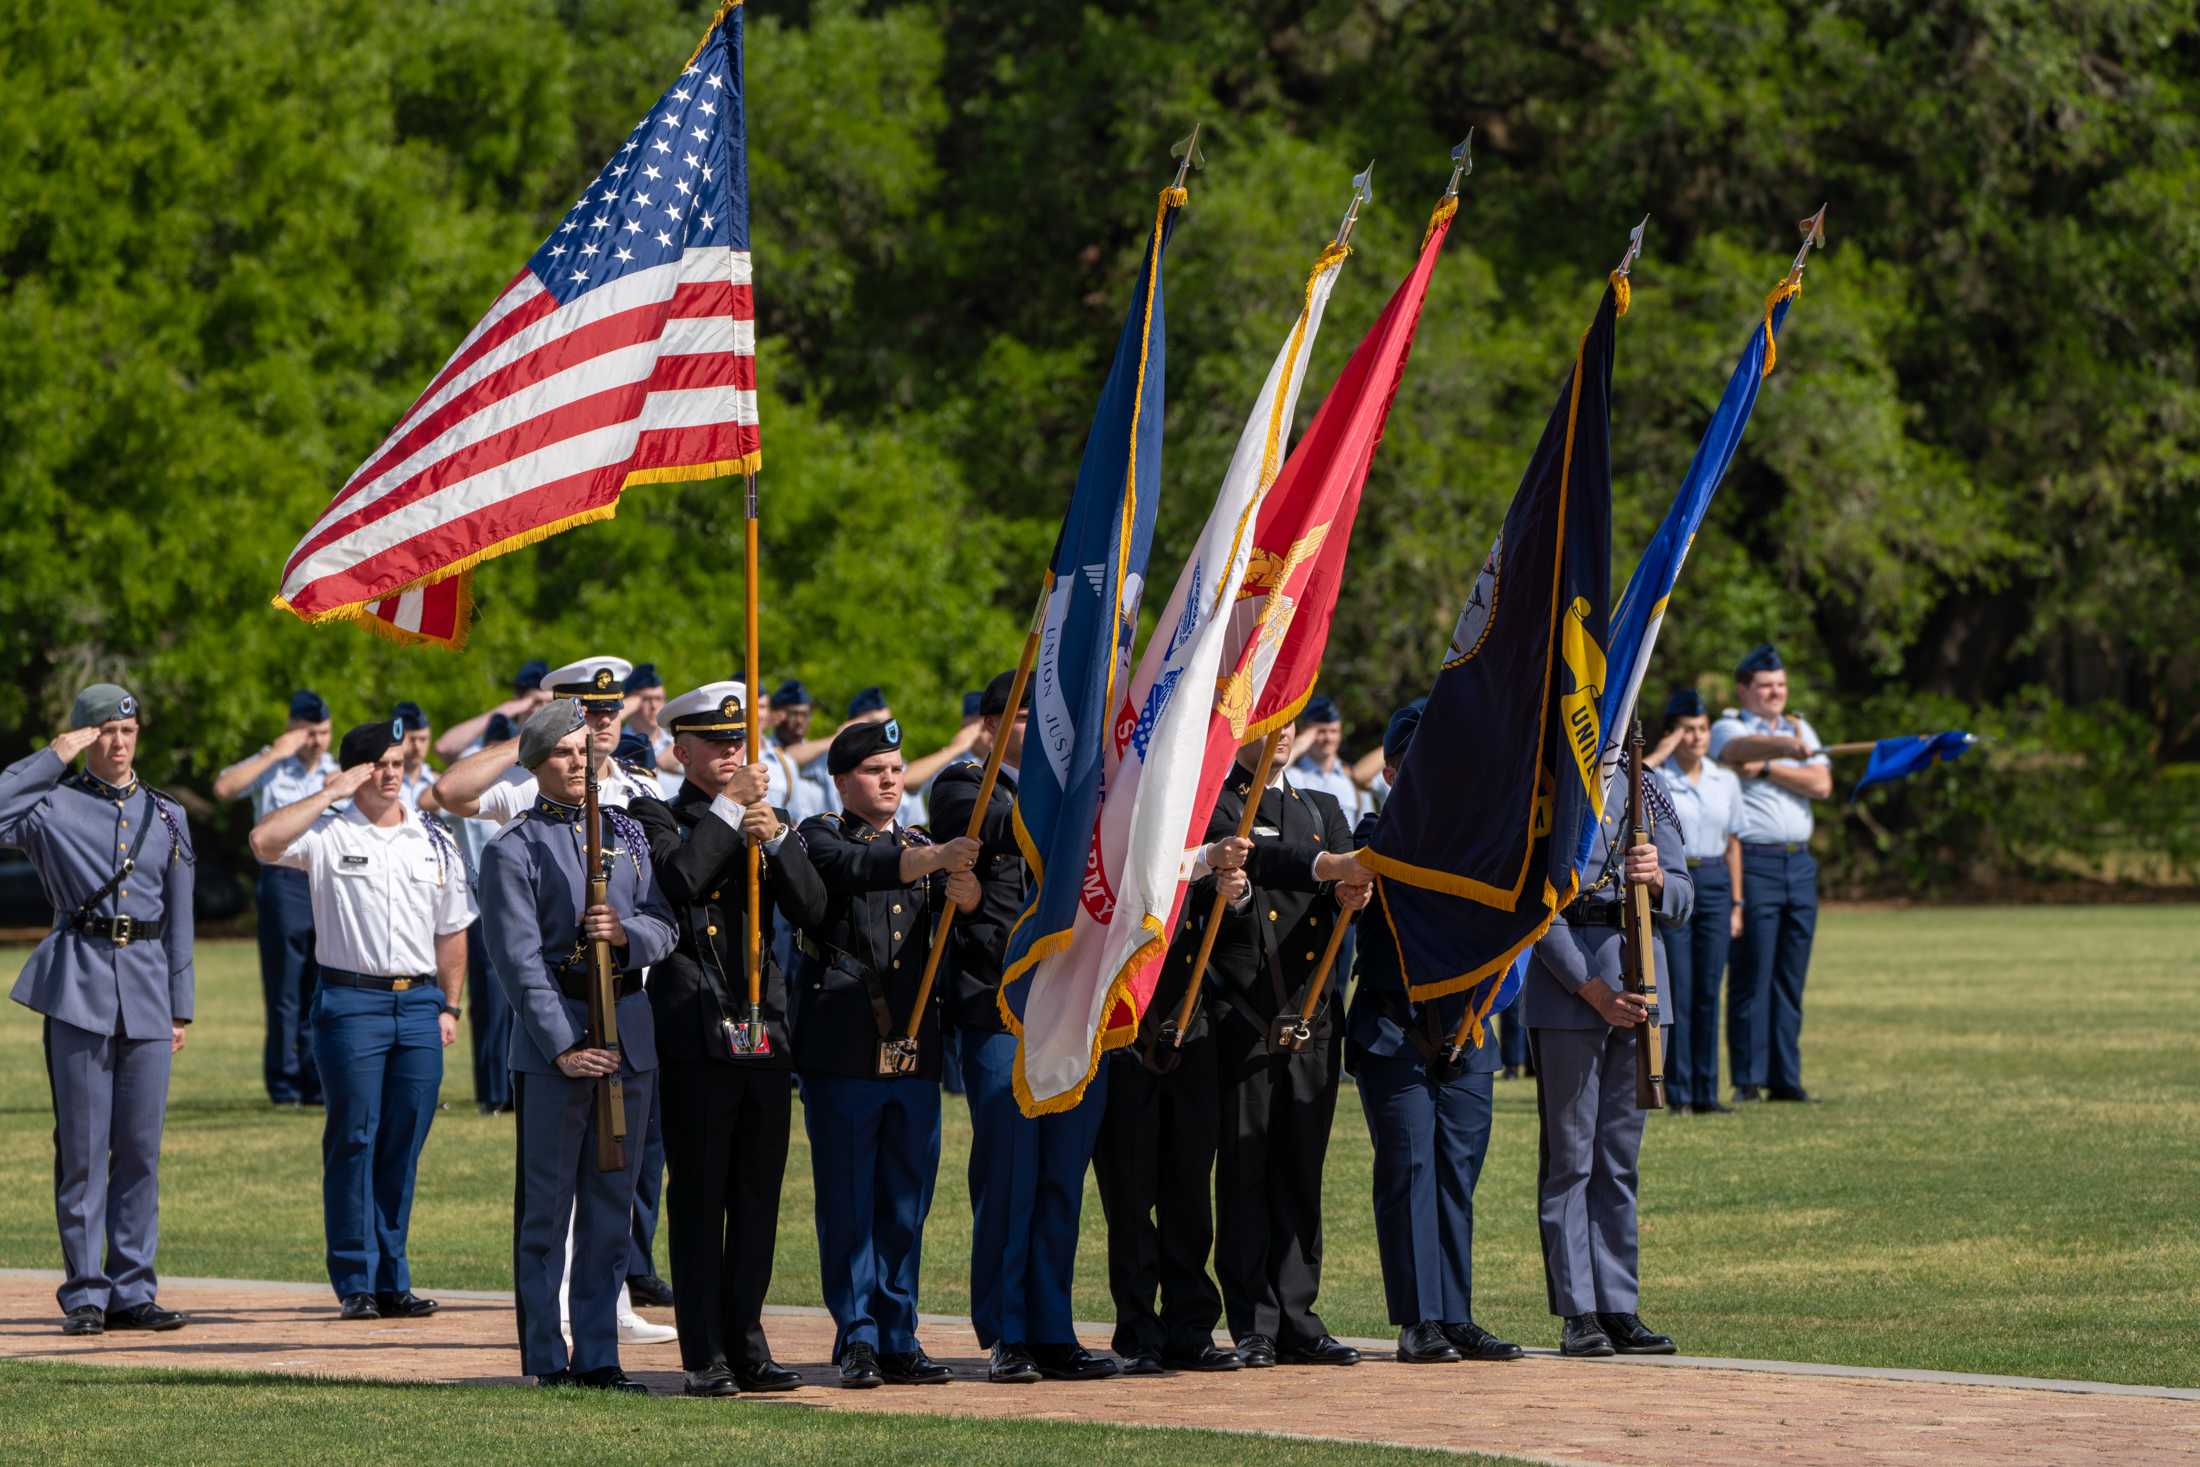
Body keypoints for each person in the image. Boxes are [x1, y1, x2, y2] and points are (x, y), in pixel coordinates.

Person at [629, 682, 825, 1398]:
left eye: (736, 742)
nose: (728, 753)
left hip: (762, 1024)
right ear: (680, 749)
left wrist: (773, 836)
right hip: (697, 1025)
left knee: (757, 1192)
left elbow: (812, 907)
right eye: (713, 743)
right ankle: (702, 1348)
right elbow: (678, 879)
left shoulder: (759, 818)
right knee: (702, 1190)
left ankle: (748, 1337)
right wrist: (726, 809)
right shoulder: (657, 812)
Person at [478, 700, 678, 1392]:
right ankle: (544, 1350)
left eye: (583, 749)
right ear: (536, 763)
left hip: (626, 1026)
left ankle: (599, 1350)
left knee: (610, 1202)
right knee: (546, 1207)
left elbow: (663, 923)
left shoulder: (624, 833)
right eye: (562, 752)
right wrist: (563, 1046)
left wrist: (626, 934)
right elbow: (517, 960)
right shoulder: (513, 847)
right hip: (555, 1037)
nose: (578, 761)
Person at [248, 719, 473, 1321]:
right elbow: (264, 841)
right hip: (352, 1005)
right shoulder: (325, 833)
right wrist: (328, 792)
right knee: (354, 1138)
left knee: (405, 1140)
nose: (391, 772)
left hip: (419, 1003)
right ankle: (355, 1277)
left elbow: (452, 929)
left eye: (398, 762)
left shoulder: (433, 838)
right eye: (377, 763)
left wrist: (450, 1005)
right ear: (353, 771)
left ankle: (393, 1275)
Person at [929, 669, 1117, 1383]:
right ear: (990, 724)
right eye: (1025, 721)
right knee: (1010, 1172)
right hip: (1001, 1010)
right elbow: (1011, 829)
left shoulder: (1076, 794)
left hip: (1070, 1009)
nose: (1040, 735)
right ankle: (1006, 1330)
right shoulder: (965, 786)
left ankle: (1052, 1326)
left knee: (1061, 1176)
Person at [794, 718, 980, 1388]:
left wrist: (966, 895)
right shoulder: (820, 834)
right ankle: (858, 1337)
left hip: (913, 1046)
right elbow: (854, 871)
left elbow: (945, 945)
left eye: (898, 769)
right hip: (844, 1048)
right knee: (849, 1199)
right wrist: (935, 863)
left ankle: (900, 1332)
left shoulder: (922, 843)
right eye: (877, 770)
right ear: (844, 778)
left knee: (906, 1199)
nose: (892, 780)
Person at [3, 684, 194, 1336]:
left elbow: (180, 918)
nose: (118, 742)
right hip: (79, 986)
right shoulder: (50, 804)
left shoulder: (168, 815)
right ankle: (86, 1289)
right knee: (83, 1150)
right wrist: (54, 755)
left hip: (146, 990)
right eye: (104, 731)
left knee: (140, 1149)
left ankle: (133, 1289)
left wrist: (182, 1006)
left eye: (128, 729)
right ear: (86, 736)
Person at [1346, 702, 1523, 1366]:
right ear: (1392, 770)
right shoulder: (1376, 836)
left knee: (1457, 1171)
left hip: (1468, 1030)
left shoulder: (1485, 843)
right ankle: (1419, 1316)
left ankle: (1456, 1312)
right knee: (1410, 1168)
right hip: (1397, 1029)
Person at [1204, 722, 1371, 1368]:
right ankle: (1254, 1319)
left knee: (1302, 1167)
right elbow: (1263, 867)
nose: (1283, 735)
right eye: (1270, 722)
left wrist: (1350, 886)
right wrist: (1326, 868)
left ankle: (1299, 1314)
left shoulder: (1321, 807)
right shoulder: (1222, 805)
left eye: (1292, 723)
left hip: (1311, 1015)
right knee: (1245, 1170)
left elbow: (1337, 878)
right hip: (1245, 1013)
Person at [1525, 751, 1690, 1359]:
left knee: (1619, 1160)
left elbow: (1685, 895)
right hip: (1572, 991)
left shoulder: (1647, 784)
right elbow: (1536, 903)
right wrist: (1590, 989)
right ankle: (1578, 1310)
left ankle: (1619, 1303)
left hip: (1644, 979)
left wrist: (1658, 880)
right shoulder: (1549, 779)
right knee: (1571, 1160)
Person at [1092, 834, 1251, 1375]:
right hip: (1122, 1027)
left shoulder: (1190, 825)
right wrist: (1205, 860)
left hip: (1188, 1026)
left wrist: (1235, 891)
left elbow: (1229, 935)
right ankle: (1138, 1328)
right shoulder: (1115, 815)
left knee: (1188, 1190)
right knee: (1130, 1192)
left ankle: (1191, 1325)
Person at [1709, 644, 1831, 1104]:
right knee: (1751, 972)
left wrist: (1766, 770)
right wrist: (1783, 750)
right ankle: (1747, 1077)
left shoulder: (1800, 725)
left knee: (1789, 976)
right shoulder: (1729, 725)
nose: (1775, 693)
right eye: (1765, 686)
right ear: (1745, 690)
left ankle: (1785, 1075)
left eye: (1780, 685)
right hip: (1754, 861)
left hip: (1798, 862)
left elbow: (1821, 784)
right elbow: (1735, 751)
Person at [437, 660, 551, 1115]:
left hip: (538, 895)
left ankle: (520, 1086)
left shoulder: (546, 770)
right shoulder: (497, 768)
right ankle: (492, 1090)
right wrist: (517, 712)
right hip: (487, 893)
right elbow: (446, 759)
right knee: (491, 995)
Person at [215, 689, 337, 1107]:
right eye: (308, 732)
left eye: (323, 732)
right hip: (282, 882)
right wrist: (274, 753)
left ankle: (315, 1080)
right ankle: (284, 1084)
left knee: (320, 987)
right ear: (291, 731)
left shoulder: (337, 771)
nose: (317, 741)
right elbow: (224, 787)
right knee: (285, 990)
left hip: (323, 879)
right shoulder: (271, 768)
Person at [1647, 688, 1745, 1115]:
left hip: (1717, 882)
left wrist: (1738, 903)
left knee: (1709, 989)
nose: (1697, 738)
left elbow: (1734, 843)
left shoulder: (1726, 779)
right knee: (1680, 989)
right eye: (1688, 730)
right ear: (1672, 734)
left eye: (1703, 729)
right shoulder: (1655, 777)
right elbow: (1627, 780)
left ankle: (1707, 1091)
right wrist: (1659, 751)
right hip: (1674, 879)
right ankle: (1680, 1090)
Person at [392, 703, 436, 814]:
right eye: (411, 739)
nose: (417, 747)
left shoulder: (437, 781)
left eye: (423, 739)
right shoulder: (381, 780)